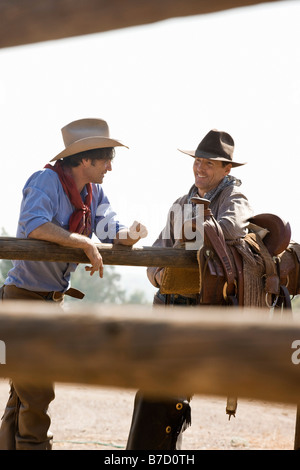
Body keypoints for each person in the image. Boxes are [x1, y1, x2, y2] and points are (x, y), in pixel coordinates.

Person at [0, 117, 147, 450]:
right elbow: (35, 225)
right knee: (36, 391)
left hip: (49, 302)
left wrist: (132, 234)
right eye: (106, 158)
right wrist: (83, 241)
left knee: (23, 394)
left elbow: (111, 231)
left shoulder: (94, 192)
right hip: (24, 299)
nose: (110, 166)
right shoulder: (45, 181)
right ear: (85, 159)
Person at [126, 129, 254, 450]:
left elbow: (234, 226)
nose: (200, 168)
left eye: (210, 163)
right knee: (157, 390)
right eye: (198, 161)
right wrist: (161, 276)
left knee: (170, 393)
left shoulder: (233, 197)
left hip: (199, 308)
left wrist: (196, 226)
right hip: (168, 305)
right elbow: (157, 252)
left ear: (227, 169)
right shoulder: (180, 202)